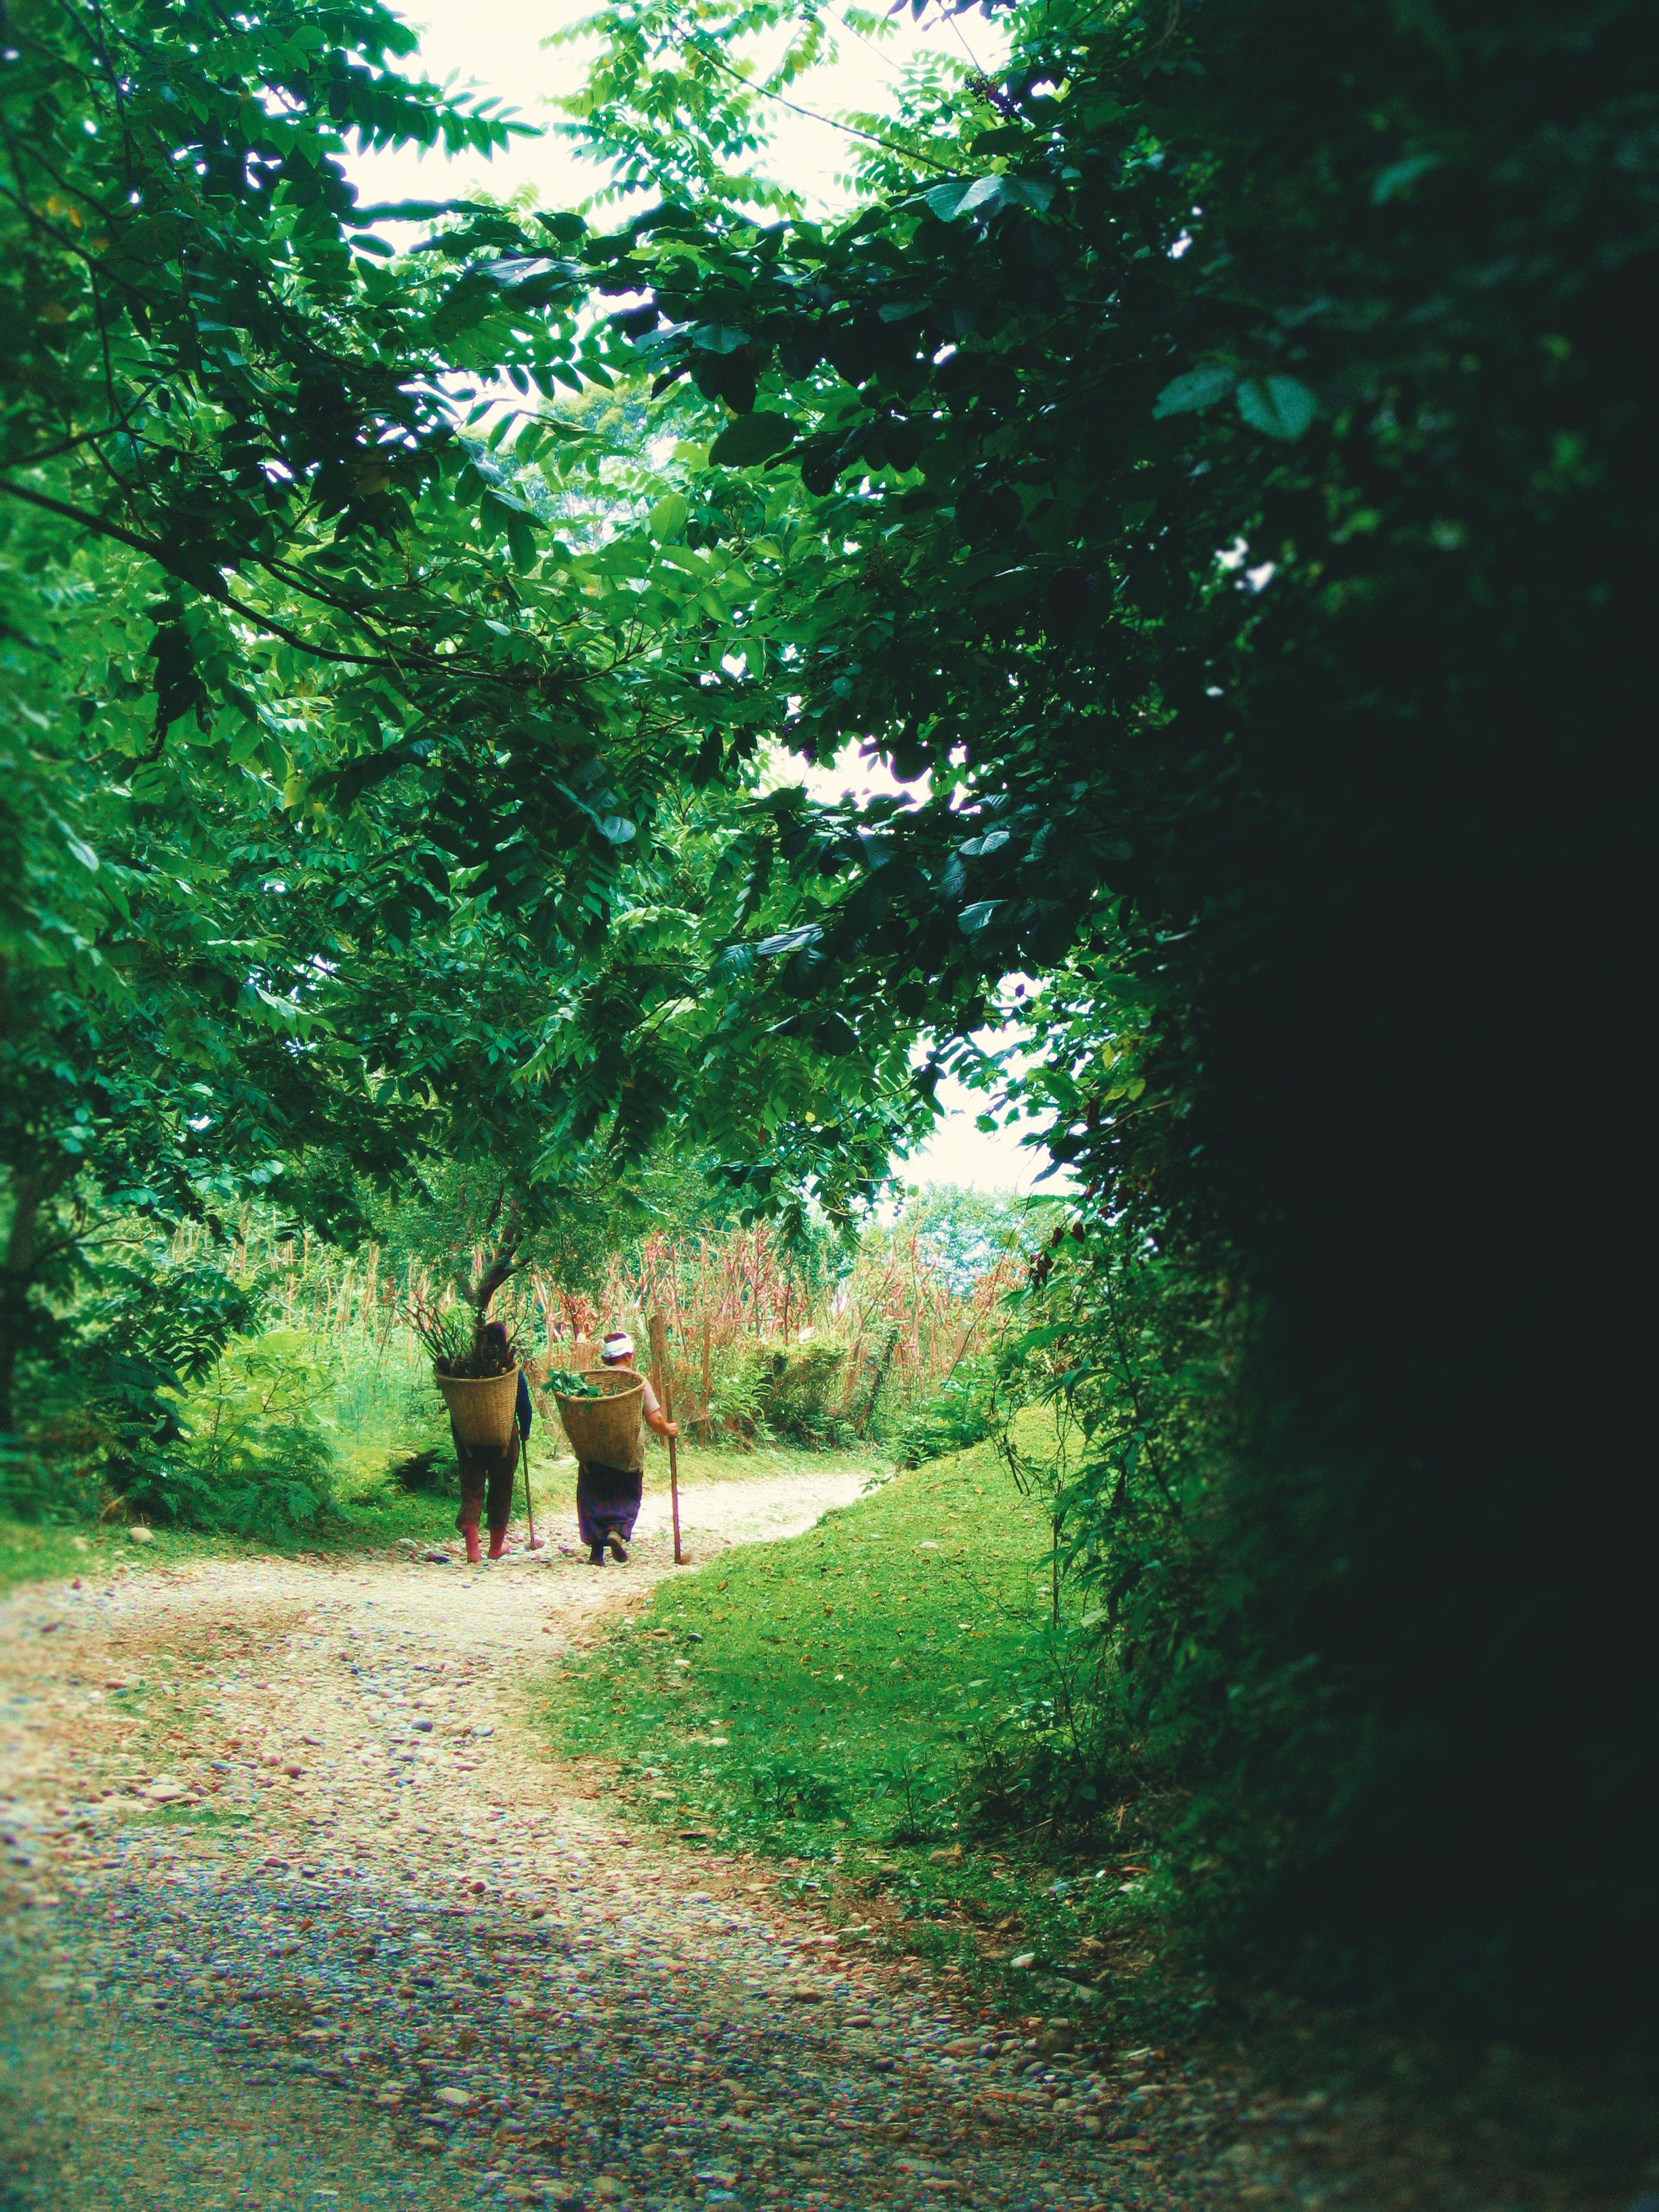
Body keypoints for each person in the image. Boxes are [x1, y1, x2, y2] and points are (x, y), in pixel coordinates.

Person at [577, 1330, 677, 1565]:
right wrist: (668, 1429)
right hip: (627, 1455)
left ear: (606, 1359)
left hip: (595, 1454)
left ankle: (596, 1552)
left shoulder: (592, 1383)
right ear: (629, 1356)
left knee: (594, 1496)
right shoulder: (637, 1383)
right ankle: (617, 1531)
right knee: (627, 1494)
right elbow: (655, 1420)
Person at [453, 1321, 533, 1565]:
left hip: (470, 1439)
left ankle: (472, 1552)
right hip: (503, 1439)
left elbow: (456, 1402)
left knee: (472, 1491)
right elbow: (524, 1405)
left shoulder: (466, 1370)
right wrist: (526, 1430)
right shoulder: (510, 1370)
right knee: (501, 1489)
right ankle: (495, 1548)